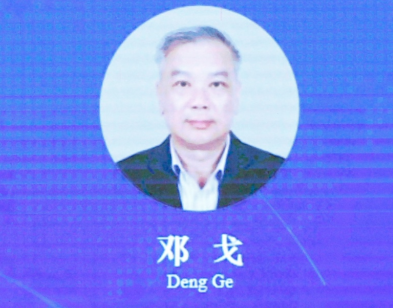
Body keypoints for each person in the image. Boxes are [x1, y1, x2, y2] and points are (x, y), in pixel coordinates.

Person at [117, 26, 284, 211]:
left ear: (236, 95)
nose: (199, 102)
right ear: (160, 96)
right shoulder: (125, 176)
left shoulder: (277, 174)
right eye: (182, 84)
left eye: (216, 84)